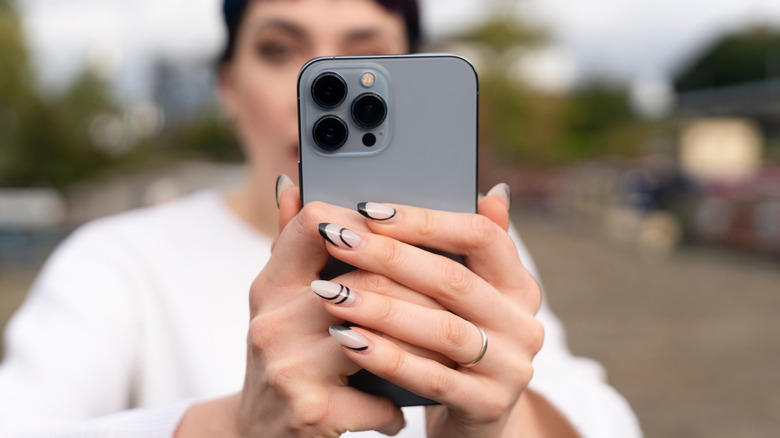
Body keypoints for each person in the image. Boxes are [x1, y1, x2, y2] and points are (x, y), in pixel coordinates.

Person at [0, 0, 642, 437]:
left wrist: (500, 417)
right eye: (280, 51)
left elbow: (606, 420)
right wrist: (236, 426)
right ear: (228, 86)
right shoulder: (118, 259)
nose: (315, 89)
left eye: (366, 57)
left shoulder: (473, 242)